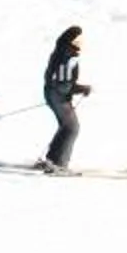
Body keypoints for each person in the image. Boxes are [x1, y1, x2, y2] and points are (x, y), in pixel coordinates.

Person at [40, 25, 90, 174]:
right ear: (72, 40)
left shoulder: (62, 52)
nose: (82, 43)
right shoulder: (67, 57)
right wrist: (82, 89)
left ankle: (52, 160)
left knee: (66, 127)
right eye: (79, 39)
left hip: (54, 94)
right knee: (72, 128)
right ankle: (59, 164)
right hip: (58, 97)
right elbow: (63, 85)